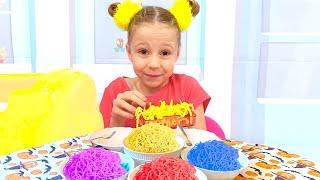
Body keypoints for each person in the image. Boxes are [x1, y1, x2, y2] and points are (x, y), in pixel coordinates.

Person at [100, 0, 210, 130]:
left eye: (165, 53)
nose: (154, 64)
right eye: (143, 51)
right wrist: (117, 120)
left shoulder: (189, 89)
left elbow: (200, 145)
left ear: (177, 54)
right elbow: (103, 148)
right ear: (129, 52)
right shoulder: (115, 92)